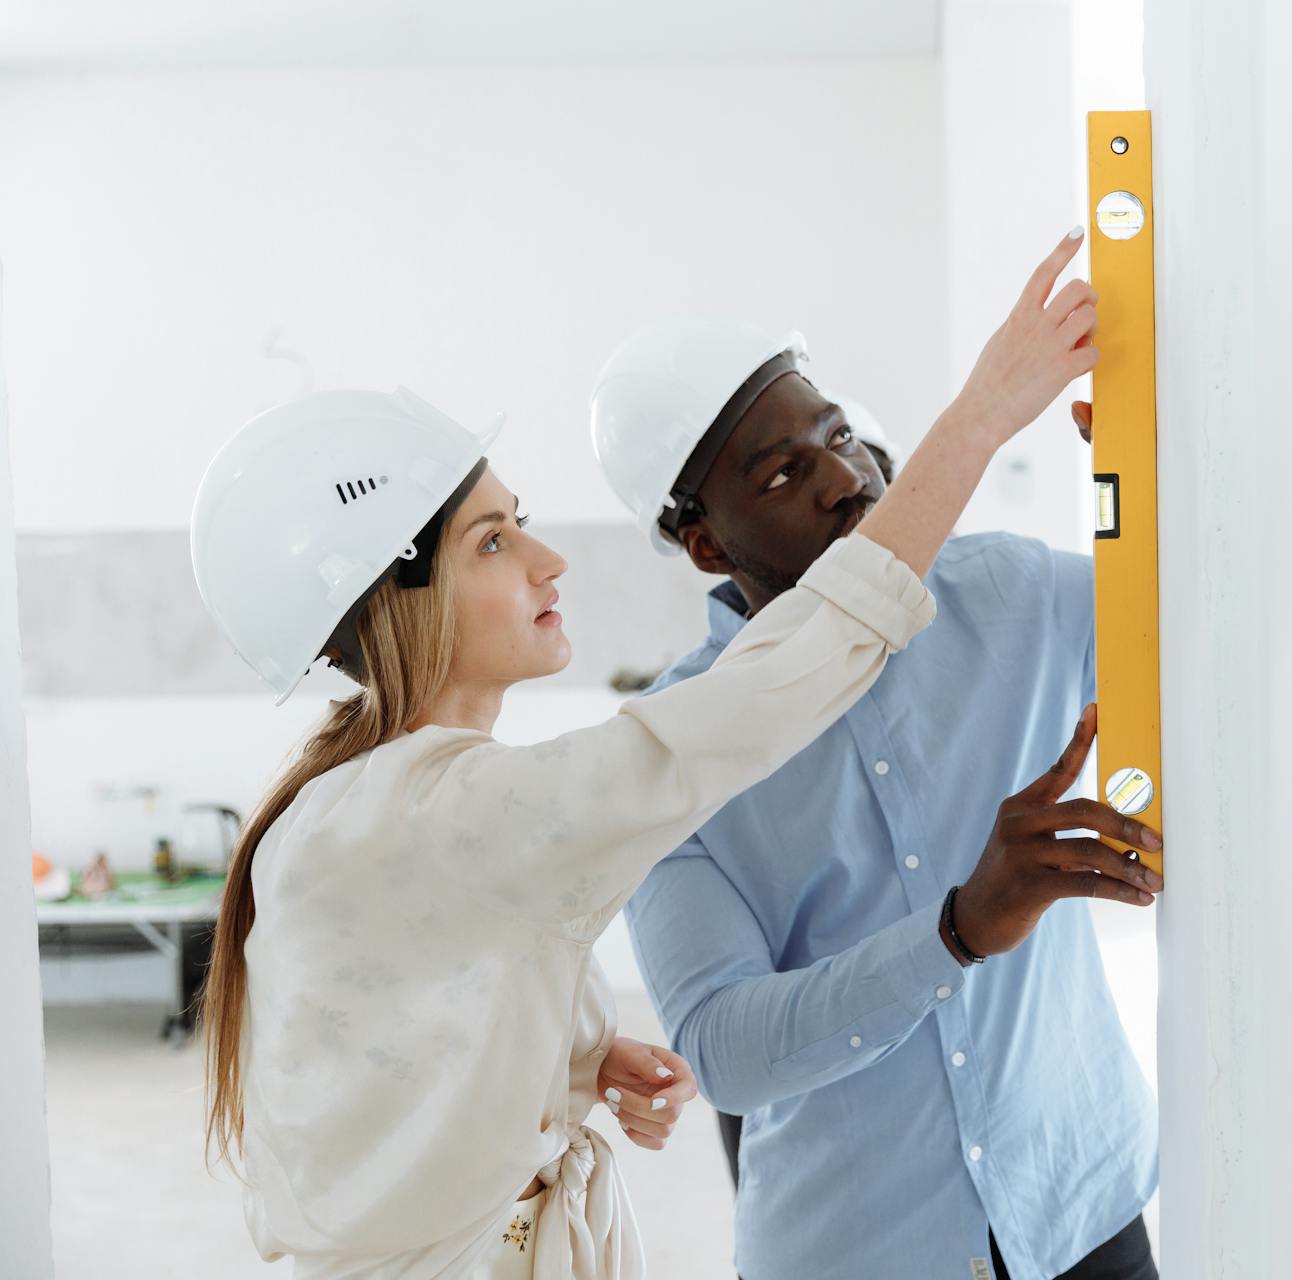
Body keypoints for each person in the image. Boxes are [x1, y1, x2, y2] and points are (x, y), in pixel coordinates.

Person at [188, 230, 1105, 1277]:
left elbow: (370, 1049)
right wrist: (985, 410)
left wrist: (564, 1063)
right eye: (492, 541)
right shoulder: (437, 808)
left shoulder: (376, 805)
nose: (549, 556)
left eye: (519, 521)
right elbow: (761, 696)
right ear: (396, 601)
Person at [593, 306, 1162, 1278]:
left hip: (1084, 1208)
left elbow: (1188, 629)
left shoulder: (1010, 592)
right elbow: (725, 1046)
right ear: (707, 545)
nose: (847, 483)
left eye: (840, 438)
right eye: (782, 474)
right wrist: (958, 928)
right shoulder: (668, 751)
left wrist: (1151, 484)